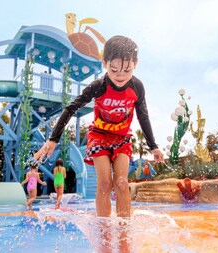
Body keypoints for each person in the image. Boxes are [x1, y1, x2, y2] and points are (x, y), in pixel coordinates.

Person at [34, 35, 164, 252]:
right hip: (99, 136)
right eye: (114, 70)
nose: (120, 76)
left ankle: (124, 241)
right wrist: (53, 139)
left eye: (127, 70)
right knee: (104, 184)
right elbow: (70, 108)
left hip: (122, 138)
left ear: (136, 64)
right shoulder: (98, 86)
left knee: (122, 183)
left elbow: (143, 115)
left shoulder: (137, 88)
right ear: (105, 64)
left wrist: (154, 146)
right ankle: (105, 242)